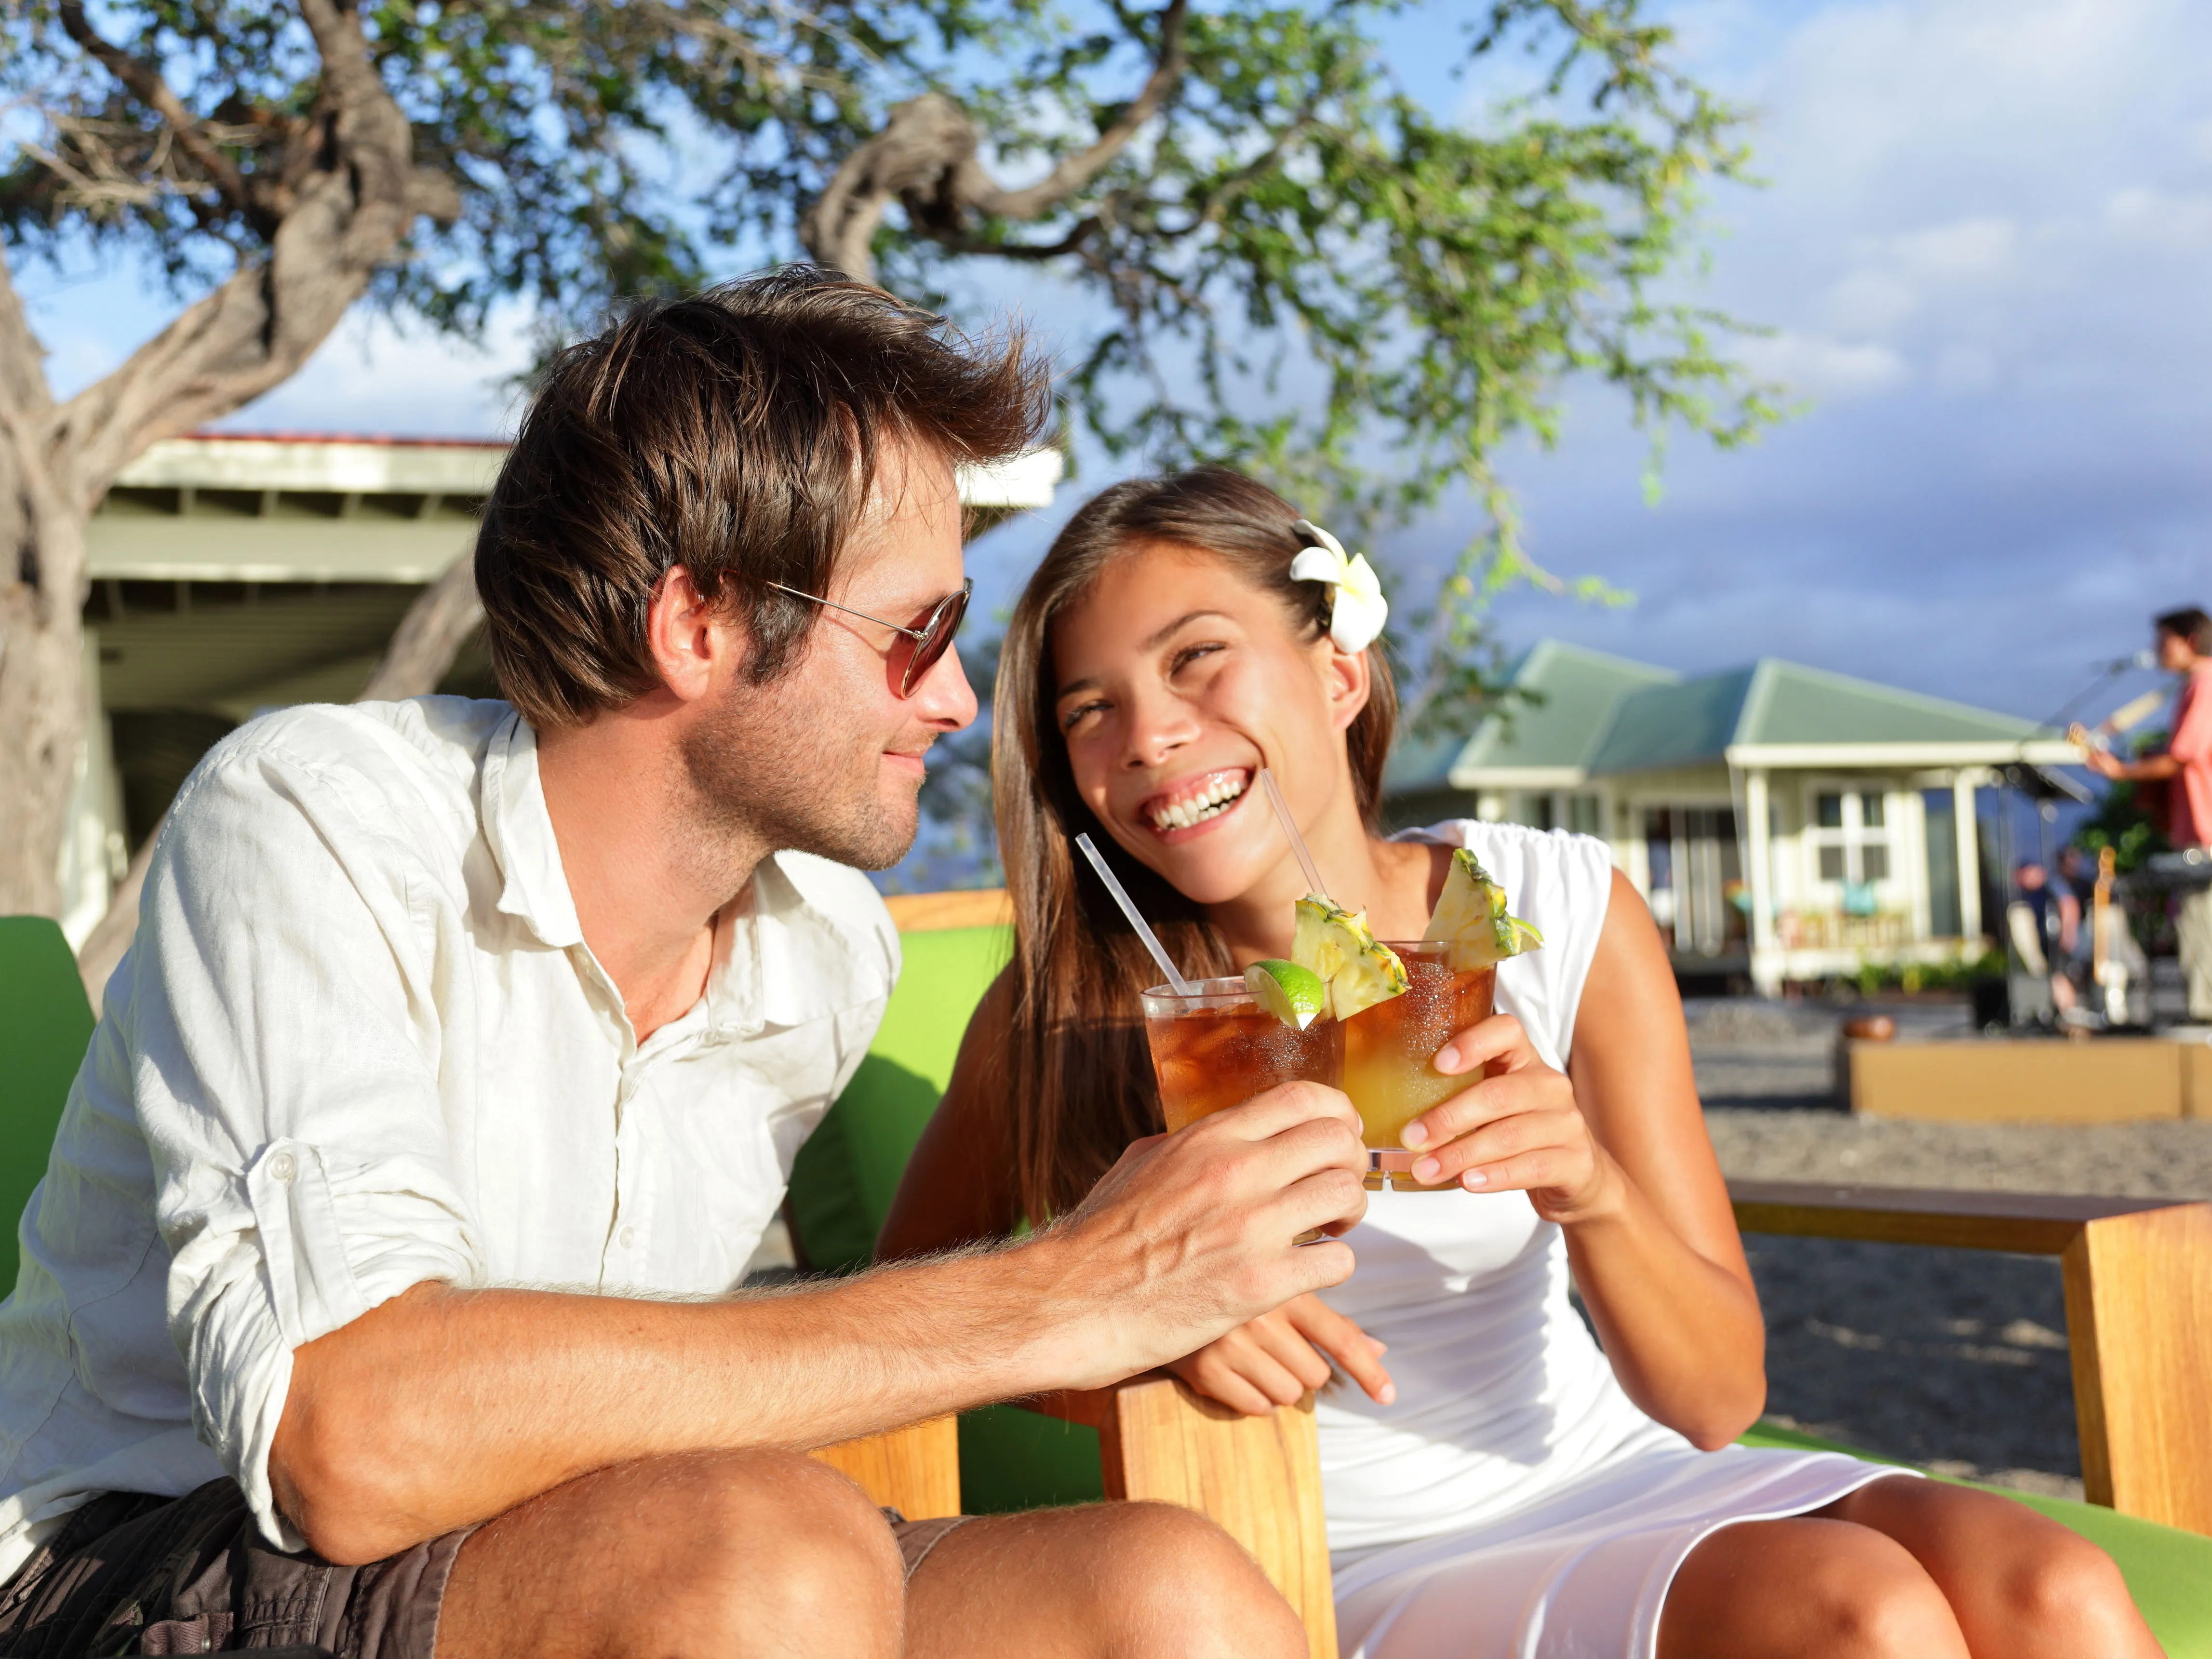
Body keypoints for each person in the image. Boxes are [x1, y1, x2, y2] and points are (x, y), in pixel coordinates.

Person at [0, 280, 1373, 1659]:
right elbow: (349, 1444)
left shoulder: (821, 953)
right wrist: (1070, 1289)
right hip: (145, 1559)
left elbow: (675, 1404)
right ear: (697, 624)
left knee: (1158, 1595)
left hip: (579, 1540)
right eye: (917, 633)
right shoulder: (312, 820)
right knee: (765, 1556)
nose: (954, 702)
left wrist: (1129, 1319)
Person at [880, 468, 2159, 1659]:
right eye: (1089, 712)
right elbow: (897, 1318)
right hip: (1340, 1549)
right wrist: (1120, 1318)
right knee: (1858, 1615)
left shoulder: (1558, 907)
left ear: (1335, 670)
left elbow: (1716, 1396)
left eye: (1197, 661)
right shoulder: (1072, 1007)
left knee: (2058, 1592)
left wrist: (1591, 1185)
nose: (1149, 736)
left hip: (1621, 1464)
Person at [2082, 605, 2212, 1022]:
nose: (2156, 651)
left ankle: (2204, 1020)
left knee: (2200, 929)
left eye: (2163, 642)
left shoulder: (2205, 683)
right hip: (2195, 831)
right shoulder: (2192, 686)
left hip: (2206, 834)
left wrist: (2121, 770)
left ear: (2189, 641)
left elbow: (2182, 756)